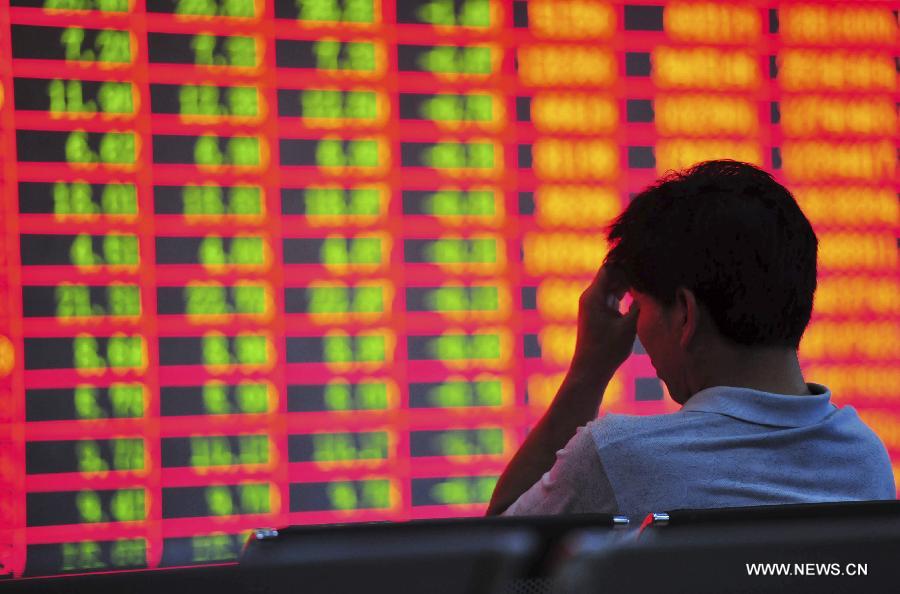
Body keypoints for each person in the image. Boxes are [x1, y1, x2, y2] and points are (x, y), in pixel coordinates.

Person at [487, 160, 895, 518]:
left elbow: (504, 552)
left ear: (685, 313)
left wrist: (588, 370)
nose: (640, 333)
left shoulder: (618, 458)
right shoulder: (865, 458)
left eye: (641, 308)